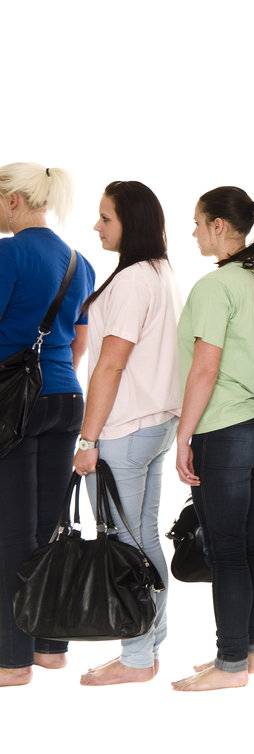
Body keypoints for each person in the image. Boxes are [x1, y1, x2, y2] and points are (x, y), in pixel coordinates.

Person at [170, 187, 254, 693]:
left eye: (198, 222)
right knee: (252, 543)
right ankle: (250, 651)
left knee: (226, 550)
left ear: (220, 225)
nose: (193, 231)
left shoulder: (215, 287)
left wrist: (183, 434)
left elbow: (205, 368)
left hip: (224, 426)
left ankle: (230, 662)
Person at [75, 181, 180, 686]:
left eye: (106, 218)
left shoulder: (135, 280)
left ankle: (137, 657)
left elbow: (110, 366)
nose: (97, 226)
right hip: (156, 424)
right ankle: (149, 645)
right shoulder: (159, 273)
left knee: (127, 543)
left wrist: (88, 439)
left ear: (130, 223)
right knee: (143, 538)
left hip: (124, 429)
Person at [0, 163, 93, 687]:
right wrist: (54, 378)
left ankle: (11, 661)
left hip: (13, 404)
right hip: (64, 397)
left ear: (14, 200)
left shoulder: (7, 255)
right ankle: (49, 649)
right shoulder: (78, 261)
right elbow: (78, 340)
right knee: (47, 526)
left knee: (10, 532)